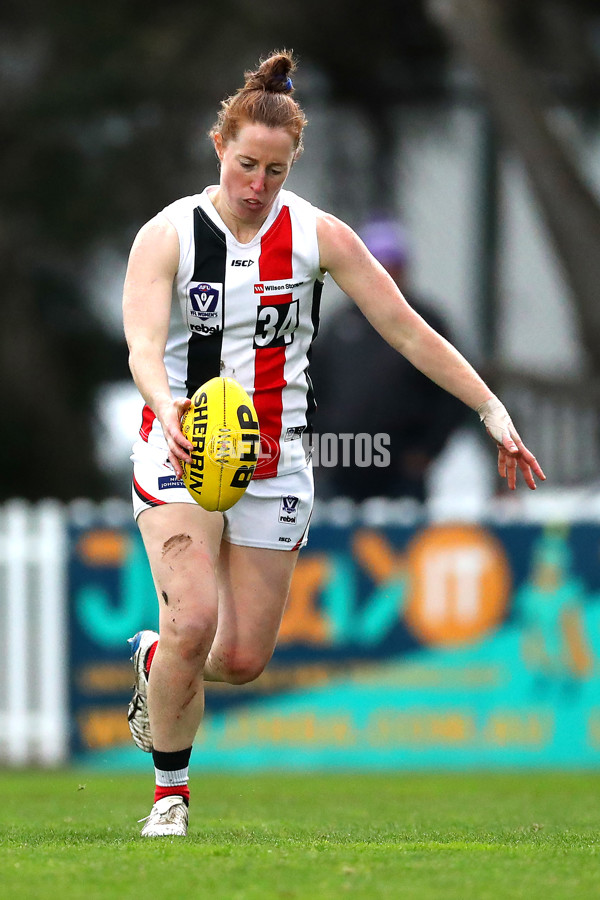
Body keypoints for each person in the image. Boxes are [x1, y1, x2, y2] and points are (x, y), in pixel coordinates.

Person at [122, 49, 545, 837]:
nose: (258, 184)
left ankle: (155, 664)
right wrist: (164, 405)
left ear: (290, 168)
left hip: (276, 460)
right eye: (247, 164)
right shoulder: (169, 234)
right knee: (193, 619)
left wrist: (491, 410)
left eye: (275, 171)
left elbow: (407, 331)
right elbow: (144, 344)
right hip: (180, 447)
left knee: (240, 658)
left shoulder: (317, 237)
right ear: (220, 148)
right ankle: (170, 798)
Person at [310, 216, 467, 502]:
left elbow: (454, 394)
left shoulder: (427, 323)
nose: (386, 273)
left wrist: (427, 451)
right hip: (341, 471)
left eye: (393, 265)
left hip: (402, 475)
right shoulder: (338, 324)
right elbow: (313, 388)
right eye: (376, 264)